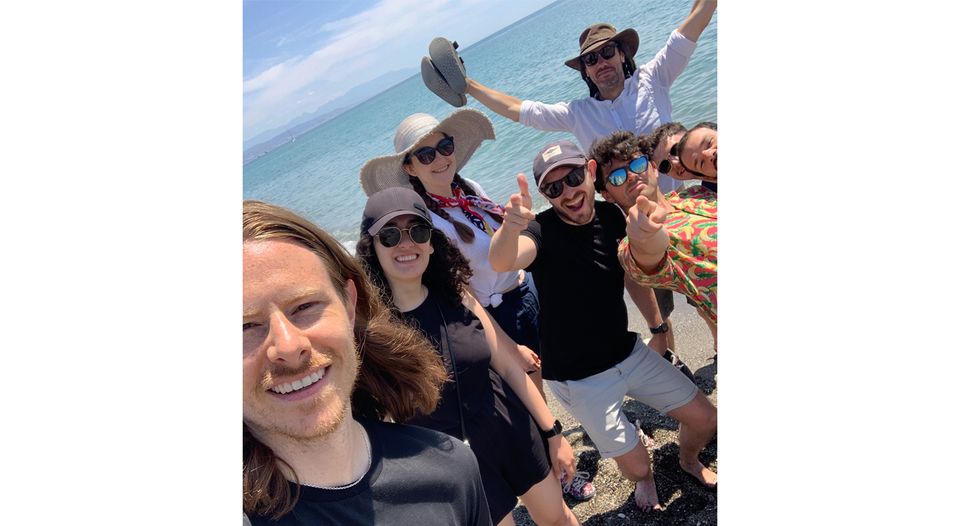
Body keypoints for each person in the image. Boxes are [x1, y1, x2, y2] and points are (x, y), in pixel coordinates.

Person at [489, 141, 718, 512]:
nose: (568, 192)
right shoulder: (539, 231)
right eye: (554, 188)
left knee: (707, 419)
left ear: (592, 173)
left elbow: (632, 277)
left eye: (574, 177)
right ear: (546, 196)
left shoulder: (612, 218)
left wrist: (657, 327)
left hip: (627, 351)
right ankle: (643, 475)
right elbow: (504, 261)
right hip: (579, 377)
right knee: (639, 467)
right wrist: (510, 229)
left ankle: (687, 460)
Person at [242, 200, 493, 525]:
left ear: (349, 304)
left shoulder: (452, 470)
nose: (288, 347)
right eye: (244, 326)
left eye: (304, 307)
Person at [356, 187, 583, 525]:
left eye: (417, 231)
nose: (406, 244)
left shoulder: (456, 293)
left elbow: (506, 364)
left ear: (431, 242)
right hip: (449, 460)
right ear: (372, 247)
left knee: (559, 519)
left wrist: (554, 434)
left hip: (509, 427)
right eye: (390, 235)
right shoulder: (371, 333)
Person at [360, 109, 546, 398]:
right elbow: (460, 291)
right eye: (426, 155)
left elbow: (498, 239)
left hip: (525, 291)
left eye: (444, 147)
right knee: (531, 398)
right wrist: (509, 346)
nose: (440, 158)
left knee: (548, 379)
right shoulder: (425, 225)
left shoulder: (469, 189)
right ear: (410, 168)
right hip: (501, 314)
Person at [586, 131, 717, 345]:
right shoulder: (632, 243)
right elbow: (647, 258)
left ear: (654, 168)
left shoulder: (695, 194)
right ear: (607, 195)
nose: (630, 176)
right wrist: (646, 237)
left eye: (637, 164)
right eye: (616, 177)